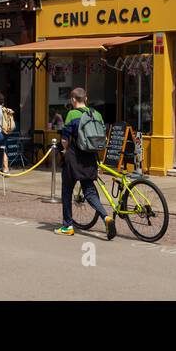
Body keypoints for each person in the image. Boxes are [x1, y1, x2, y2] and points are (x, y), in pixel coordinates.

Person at [55, 88, 114, 239]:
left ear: (73, 100)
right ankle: (106, 217)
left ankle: (68, 225)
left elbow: (64, 139)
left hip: (74, 158)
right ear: (86, 98)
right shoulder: (97, 114)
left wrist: (64, 150)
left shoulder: (72, 114)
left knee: (67, 190)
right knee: (89, 191)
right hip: (91, 157)